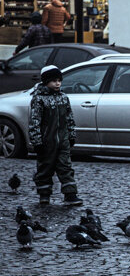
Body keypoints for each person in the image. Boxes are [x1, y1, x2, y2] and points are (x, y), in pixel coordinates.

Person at [29, 65, 81, 206]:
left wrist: (71, 135)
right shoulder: (39, 99)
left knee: (66, 167)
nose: (57, 83)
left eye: (59, 80)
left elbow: (69, 118)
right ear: (46, 82)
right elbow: (34, 121)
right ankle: (44, 194)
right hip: (47, 141)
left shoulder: (64, 98)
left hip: (62, 140)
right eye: (54, 81)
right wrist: (37, 141)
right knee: (45, 168)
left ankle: (70, 194)